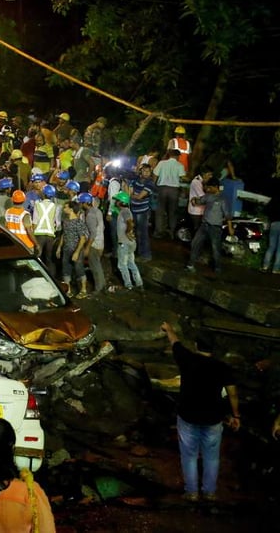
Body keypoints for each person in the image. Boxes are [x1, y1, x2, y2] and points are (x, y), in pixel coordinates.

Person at [160, 322, 240, 502]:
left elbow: (175, 341)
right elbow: (233, 394)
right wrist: (236, 416)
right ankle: (210, 492)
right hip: (213, 420)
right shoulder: (222, 367)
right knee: (211, 457)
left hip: (188, 417)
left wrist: (169, 329)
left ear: (196, 345)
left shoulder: (186, 358)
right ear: (213, 349)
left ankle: (192, 493)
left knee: (189, 456)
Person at [185, 179, 233, 274]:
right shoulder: (208, 196)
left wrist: (230, 228)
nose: (208, 189)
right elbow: (198, 201)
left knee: (215, 248)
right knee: (195, 243)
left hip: (215, 227)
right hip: (204, 225)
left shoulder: (222, 199)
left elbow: (227, 215)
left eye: (210, 187)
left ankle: (217, 268)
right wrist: (193, 200)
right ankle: (190, 264)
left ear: (215, 187)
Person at [57, 201, 89, 298]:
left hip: (76, 250)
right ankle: (68, 290)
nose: (64, 209)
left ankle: (83, 290)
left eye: (65, 207)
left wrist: (77, 252)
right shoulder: (66, 221)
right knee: (66, 270)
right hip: (66, 250)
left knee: (79, 270)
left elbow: (82, 238)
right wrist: (59, 247)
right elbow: (64, 234)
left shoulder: (79, 222)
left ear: (71, 209)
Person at [153, 149, 186, 239]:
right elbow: (183, 178)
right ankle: (172, 231)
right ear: (178, 156)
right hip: (174, 190)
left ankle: (159, 231)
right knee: (173, 212)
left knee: (160, 211)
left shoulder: (161, 163)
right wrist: (183, 190)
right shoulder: (180, 165)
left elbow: (155, 175)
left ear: (169, 155)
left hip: (162, 188)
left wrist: (153, 186)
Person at [113, 191, 143, 290]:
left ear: (121, 202)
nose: (115, 202)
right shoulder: (125, 211)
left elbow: (130, 223)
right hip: (130, 243)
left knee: (122, 265)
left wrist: (128, 232)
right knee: (131, 263)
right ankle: (139, 283)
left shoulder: (125, 211)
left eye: (117, 200)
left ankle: (128, 285)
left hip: (124, 243)